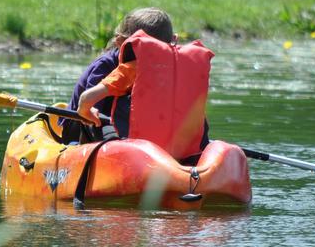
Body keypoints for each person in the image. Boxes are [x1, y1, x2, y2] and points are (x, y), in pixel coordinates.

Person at [77, 23, 213, 162]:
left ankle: (79, 161)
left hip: (138, 153)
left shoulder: (131, 69)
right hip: (187, 156)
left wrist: (86, 112)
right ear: (172, 41)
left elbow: (86, 98)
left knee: (89, 122)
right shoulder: (187, 71)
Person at [61, 8, 175, 144]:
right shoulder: (105, 66)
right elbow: (90, 110)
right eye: (145, 50)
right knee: (99, 124)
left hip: (123, 125)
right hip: (85, 123)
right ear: (121, 42)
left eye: (158, 51)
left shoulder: (164, 70)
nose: (150, 59)